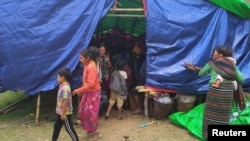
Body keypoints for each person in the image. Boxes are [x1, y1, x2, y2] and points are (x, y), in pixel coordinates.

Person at [183, 46, 245, 140]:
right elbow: (241, 78)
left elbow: (202, 74)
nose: (213, 54)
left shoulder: (212, 63)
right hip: (227, 93)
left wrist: (195, 69)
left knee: (211, 113)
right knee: (224, 113)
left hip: (215, 91)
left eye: (214, 52)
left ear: (220, 54)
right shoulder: (232, 64)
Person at [72, 48, 101, 140]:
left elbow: (91, 83)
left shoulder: (91, 66)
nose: (80, 60)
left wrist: (78, 90)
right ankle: (90, 130)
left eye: (81, 58)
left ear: (87, 57)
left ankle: (95, 132)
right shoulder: (87, 64)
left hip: (93, 92)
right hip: (88, 91)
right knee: (85, 111)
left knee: (91, 112)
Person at [52, 68, 79, 141]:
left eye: (58, 76)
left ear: (62, 77)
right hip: (61, 112)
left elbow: (66, 101)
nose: (57, 78)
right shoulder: (62, 86)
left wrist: (63, 113)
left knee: (69, 129)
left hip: (65, 113)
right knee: (56, 127)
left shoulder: (65, 88)